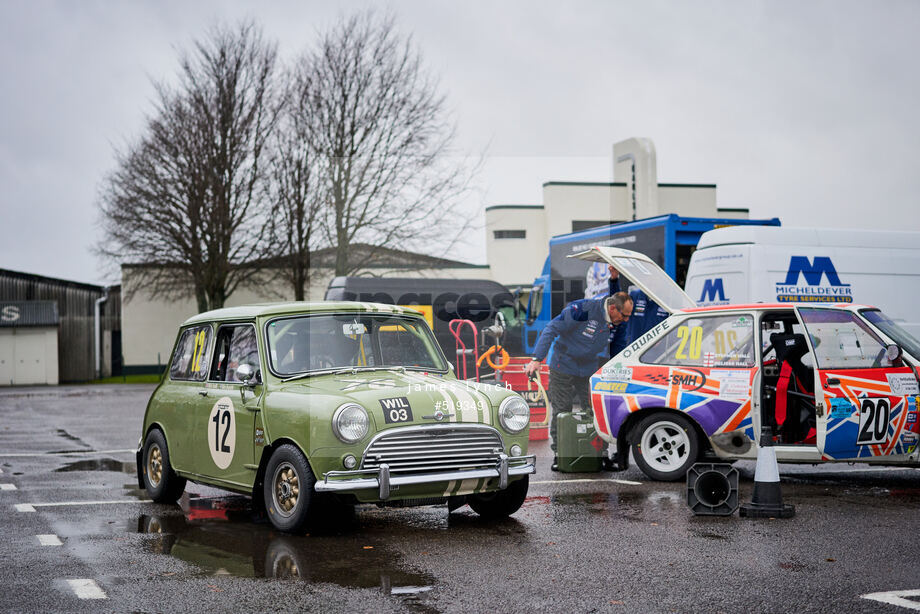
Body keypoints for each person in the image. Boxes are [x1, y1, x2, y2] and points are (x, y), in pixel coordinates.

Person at [524, 290, 633, 471]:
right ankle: (561, 456)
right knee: (562, 410)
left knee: (596, 411)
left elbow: (619, 349)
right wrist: (537, 359)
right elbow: (551, 328)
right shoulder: (583, 309)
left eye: (629, 316)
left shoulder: (619, 322)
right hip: (563, 365)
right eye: (624, 315)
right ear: (613, 308)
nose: (627, 320)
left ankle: (600, 455)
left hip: (589, 368)